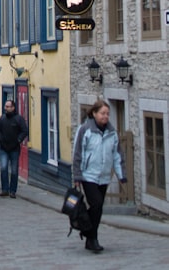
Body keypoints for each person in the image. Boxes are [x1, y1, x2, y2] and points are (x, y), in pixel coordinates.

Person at [72, 100, 127, 253]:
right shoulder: (85, 130)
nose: (105, 116)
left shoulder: (112, 133)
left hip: (104, 176)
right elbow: (77, 154)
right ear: (94, 113)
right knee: (95, 204)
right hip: (88, 175)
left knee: (98, 208)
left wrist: (121, 174)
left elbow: (117, 155)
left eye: (107, 114)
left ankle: (89, 237)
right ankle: (90, 234)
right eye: (102, 113)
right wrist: (77, 175)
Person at [0, 98, 28, 198]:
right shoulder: (2, 118)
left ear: (13, 108)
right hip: (4, 147)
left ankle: (13, 190)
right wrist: (0, 139)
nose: (6, 108)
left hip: (14, 148)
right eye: (5, 106)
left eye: (8, 107)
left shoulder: (18, 119)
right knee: (3, 168)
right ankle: (5, 189)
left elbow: (24, 131)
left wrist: (18, 140)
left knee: (14, 170)